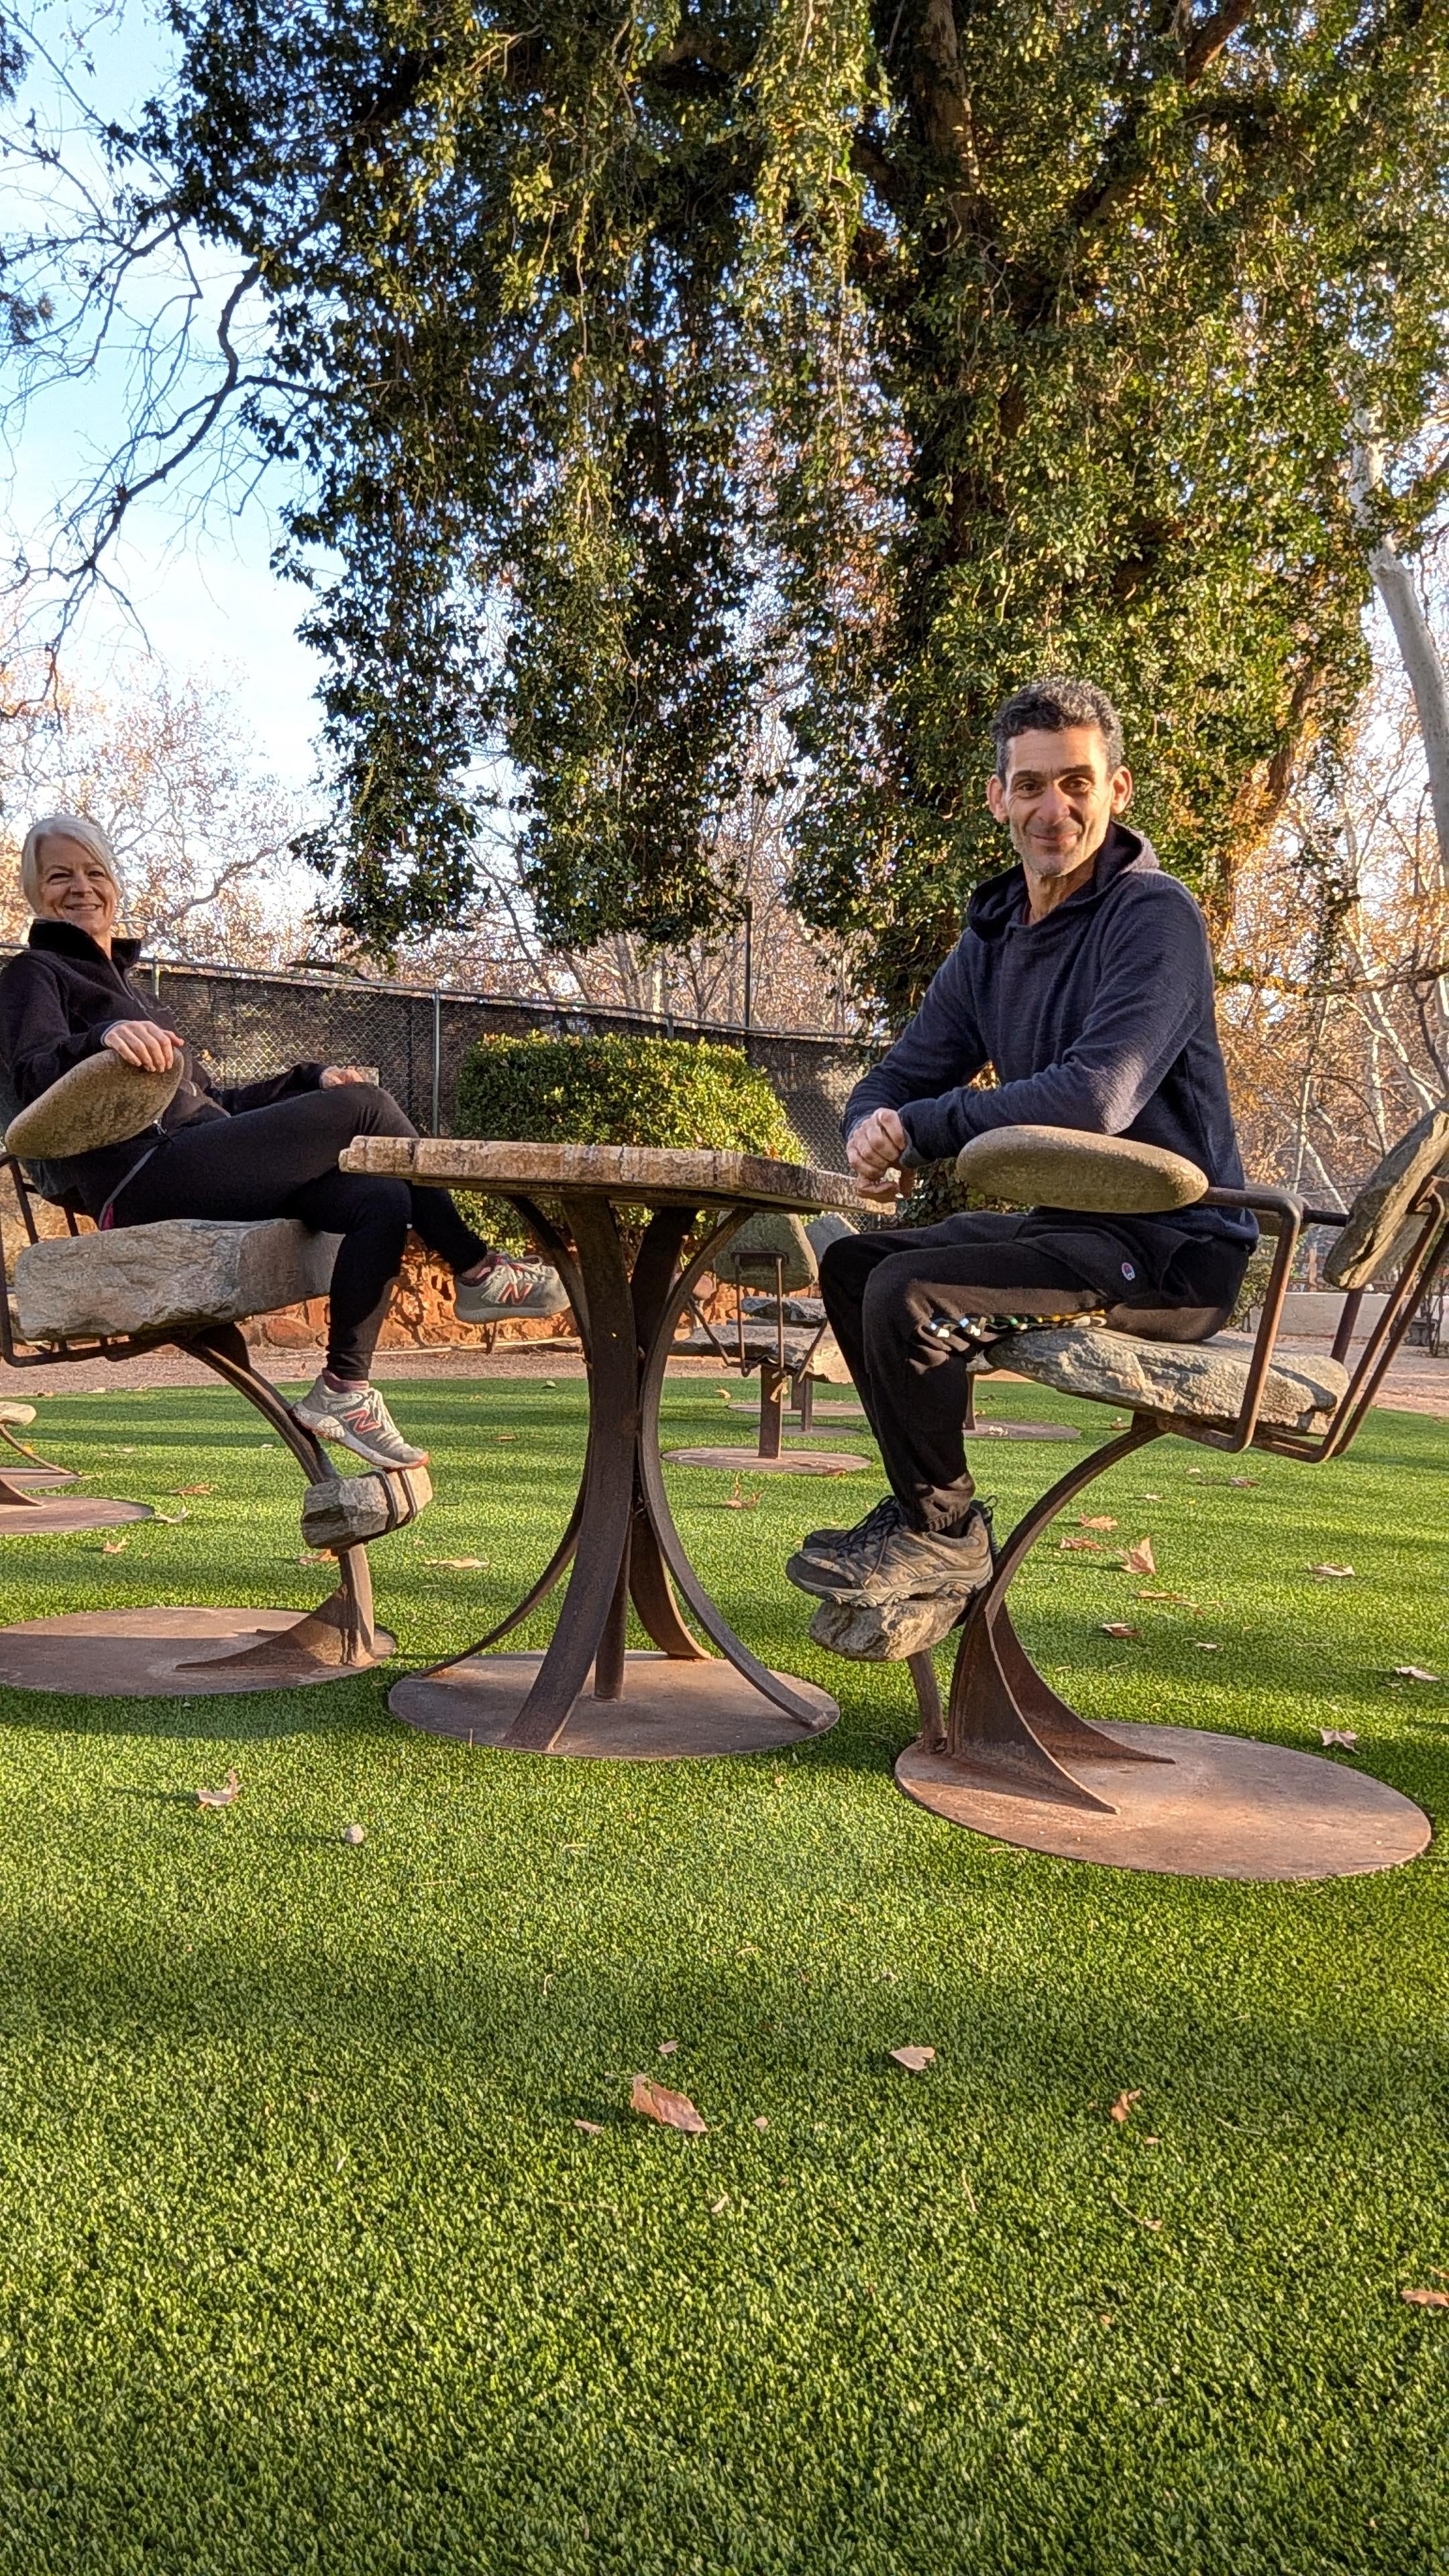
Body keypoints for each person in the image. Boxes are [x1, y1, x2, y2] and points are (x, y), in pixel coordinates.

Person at [790, 676, 1256, 1648]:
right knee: (857, 1266)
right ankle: (935, 1522)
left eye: (1078, 782)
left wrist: (923, 1128)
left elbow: (1095, 1101)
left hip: (1171, 1253)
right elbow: (902, 1073)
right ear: (998, 798)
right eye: (1033, 785)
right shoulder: (996, 935)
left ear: (1117, 790)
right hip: (1067, 1233)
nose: (1056, 809)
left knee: (912, 1295)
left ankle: (941, 1539)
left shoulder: (1154, 916)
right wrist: (873, 1126)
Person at [0, 813, 568, 1472]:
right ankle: (476, 1268)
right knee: (366, 1108)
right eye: (60, 876)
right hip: (141, 1176)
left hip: (196, 1154)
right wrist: (99, 1039)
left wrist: (308, 1080)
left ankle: (344, 1390)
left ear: (114, 884)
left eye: (94, 872)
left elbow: (216, 1103)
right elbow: (29, 1073)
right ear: (35, 891)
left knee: (379, 1197)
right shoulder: (33, 973)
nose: (81, 887)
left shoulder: (135, 991)